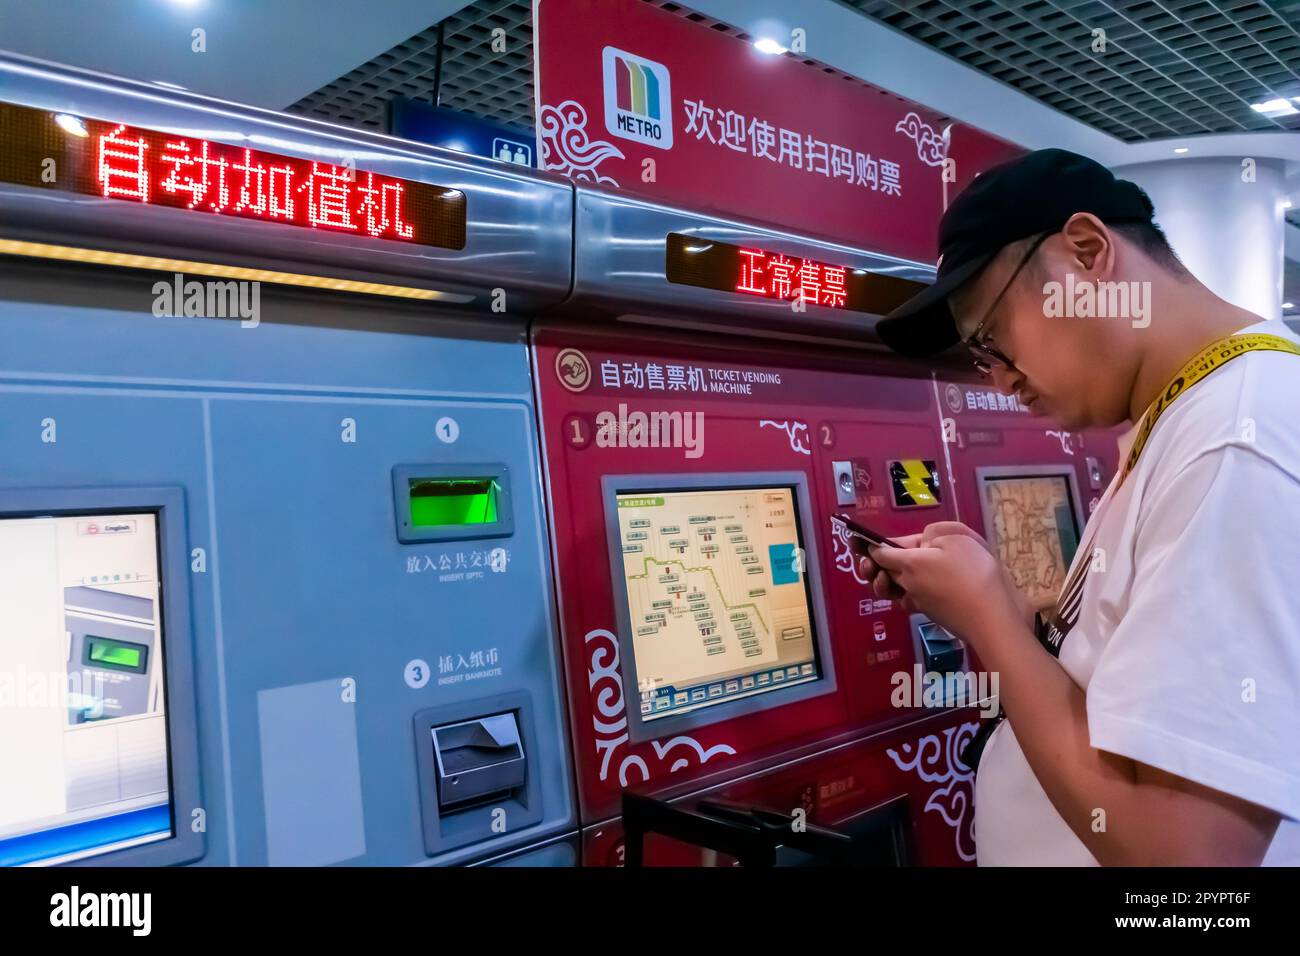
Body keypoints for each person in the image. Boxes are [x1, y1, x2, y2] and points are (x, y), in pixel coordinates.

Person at [855, 148, 1300, 866]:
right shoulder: (1186, 417)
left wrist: (992, 626)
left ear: (1088, 253)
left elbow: (1188, 867)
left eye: (993, 341)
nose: (1000, 383)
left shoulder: (1233, 442)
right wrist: (997, 602)